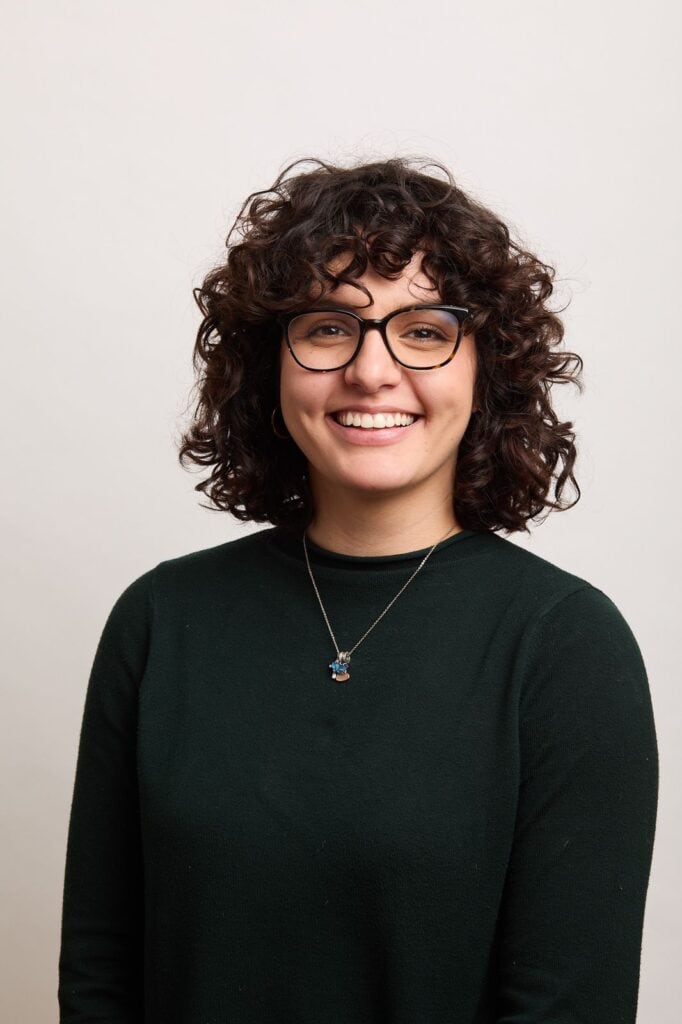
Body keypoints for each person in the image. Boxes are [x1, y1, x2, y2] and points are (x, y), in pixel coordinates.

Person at [58, 156, 659, 1023]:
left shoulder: (565, 645)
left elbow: (571, 1006)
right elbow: (100, 977)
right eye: (330, 328)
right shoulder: (161, 621)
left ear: (486, 369)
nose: (373, 372)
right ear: (273, 366)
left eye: (423, 330)